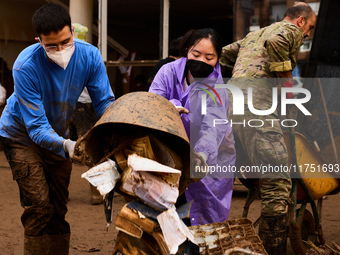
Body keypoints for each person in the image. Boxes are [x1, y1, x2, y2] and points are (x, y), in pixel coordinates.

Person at [0, 4, 115, 254]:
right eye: (52, 46)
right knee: (39, 205)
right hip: (21, 136)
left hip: (58, 134)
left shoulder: (90, 56)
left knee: (58, 208)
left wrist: (118, 128)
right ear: (38, 41)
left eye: (66, 41)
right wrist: (69, 145)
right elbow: (37, 128)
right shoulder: (25, 66)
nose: (61, 50)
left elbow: (104, 102)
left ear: (73, 31)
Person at [220, 2, 316, 255]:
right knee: (278, 182)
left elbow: (226, 54)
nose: (308, 34)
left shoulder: (254, 34)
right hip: (256, 108)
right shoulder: (288, 30)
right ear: (300, 21)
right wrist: (285, 82)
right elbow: (277, 41)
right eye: (310, 27)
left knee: (266, 175)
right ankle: (271, 250)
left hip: (237, 107)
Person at [149, 28, 236, 226]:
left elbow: (214, 126)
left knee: (205, 212)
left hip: (212, 155)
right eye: (196, 54)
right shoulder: (168, 72)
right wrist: (169, 108)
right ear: (187, 50)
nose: (201, 61)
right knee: (167, 208)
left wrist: (202, 156)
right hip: (171, 148)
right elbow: (152, 102)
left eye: (209, 57)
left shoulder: (217, 88)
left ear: (218, 59)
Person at [69, 23, 102, 205]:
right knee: (90, 150)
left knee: (61, 149)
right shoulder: (91, 56)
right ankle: (96, 193)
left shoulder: (61, 56)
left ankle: (61, 192)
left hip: (64, 108)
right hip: (85, 108)